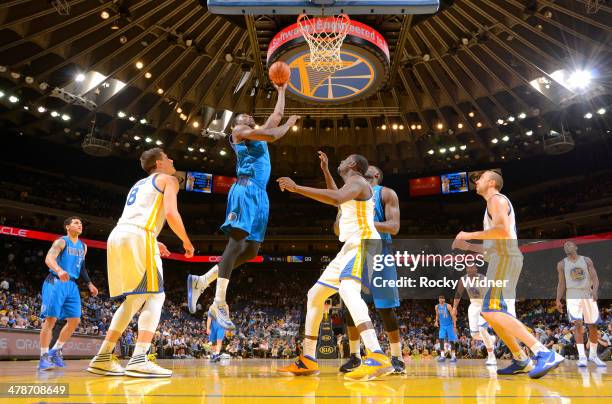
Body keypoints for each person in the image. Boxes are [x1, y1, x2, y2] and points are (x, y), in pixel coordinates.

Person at [187, 83, 299, 329]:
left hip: (261, 196)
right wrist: (289, 125)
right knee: (236, 243)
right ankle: (218, 303)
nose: (248, 117)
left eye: (250, 116)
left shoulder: (256, 134)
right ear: (236, 123)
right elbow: (273, 134)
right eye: (243, 116)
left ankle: (202, 280)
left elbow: (275, 117)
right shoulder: (240, 132)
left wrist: (281, 91)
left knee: (251, 251)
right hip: (245, 190)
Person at [276, 154, 393, 381]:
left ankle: (377, 354)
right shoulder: (351, 185)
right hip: (349, 246)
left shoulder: (358, 181)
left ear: (353, 165)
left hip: (364, 242)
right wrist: (326, 171)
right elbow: (337, 197)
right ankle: (308, 359)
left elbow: (337, 198)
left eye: (344, 159)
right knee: (315, 295)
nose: (340, 161)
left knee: (348, 291)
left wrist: (296, 187)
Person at [87, 148, 194, 378]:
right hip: (139, 236)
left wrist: (154, 241)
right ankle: (139, 358)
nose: (172, 159)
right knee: (156, 296)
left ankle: (103, 357)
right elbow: (172, 214)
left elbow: (138, 217)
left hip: (119, 235)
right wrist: (186, 241)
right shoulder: (169, 180)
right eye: (168, 157)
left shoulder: (138, 184)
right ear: (159, 163)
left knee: (134, 299)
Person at [452, 170, 564, 379]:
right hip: (499, 258)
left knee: (492, 310)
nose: (476, 181)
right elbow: (492, 245)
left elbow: (502, 231)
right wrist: (467, 245)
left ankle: (544, 352)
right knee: (488, 312)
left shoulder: (496, 199)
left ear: (492, 182)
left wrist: (467, 234)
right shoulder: (491, 205)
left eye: (482, 178)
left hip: (505, 258)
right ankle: (520, 358)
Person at [318, 154, 404, 374]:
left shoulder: (386, 193)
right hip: (355, 249)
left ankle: (397, 357)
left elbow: (394, 227)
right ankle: (355, 355)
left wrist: (364, 221)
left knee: (386, 309)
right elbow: (337, 227)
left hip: (380, 251)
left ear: (374, 174)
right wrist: (341, 222)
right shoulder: (350, 192)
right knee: (349, 306)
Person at [38, 217, 99, 370]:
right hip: (56, 281)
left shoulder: (83, 246)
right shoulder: (61, 241)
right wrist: (59, 270)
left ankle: (55, 350)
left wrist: (89, 283)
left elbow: (82, 268)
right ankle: (43, 356)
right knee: (51, 320)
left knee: (75, 320)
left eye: (81, 223)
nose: (80, 225)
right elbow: (49, 258)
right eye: (76, 223)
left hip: (72, 284)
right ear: (67, 227)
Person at [556, 241, 606, 367]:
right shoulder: (562, 264)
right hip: (572, 294)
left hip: (587, 293)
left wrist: (595, 290)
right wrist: (558, 299)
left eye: (569, 245)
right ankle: (582, 357)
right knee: (578, 324)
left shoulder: (586, 260)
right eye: (565, 246)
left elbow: (594, 277)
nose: (567, 247)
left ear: (576, 247)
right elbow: (561, 283)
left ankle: (593, 356)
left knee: (592, 325)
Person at [452, 264, 497, 366]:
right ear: (466, 269)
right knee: (474, 335)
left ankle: (491, 356)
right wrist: (454, 307)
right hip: (473, 305)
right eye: (469, 267)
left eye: (473, 267)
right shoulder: (463, 279)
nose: (471, 269)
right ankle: (491, 339)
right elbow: (458, 294)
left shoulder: (482, 279)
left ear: (476, 269)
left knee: (482, 328)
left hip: (484, 305)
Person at [434, 296, 458, 363]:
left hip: (449, 325)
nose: (441, 300)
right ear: (438, 300)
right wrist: (436, 321)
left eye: (442, 298)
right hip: (442, 326)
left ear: (444, 299)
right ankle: (442, 356)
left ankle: (453, 356)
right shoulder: (436, 307)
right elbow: (437, 315)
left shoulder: (448, 306)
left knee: (451, 341)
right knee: (441, 339)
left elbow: (453, 316)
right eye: (440, 298)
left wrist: (455, 326)